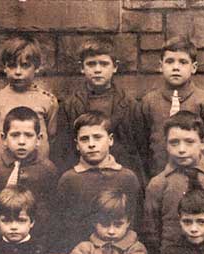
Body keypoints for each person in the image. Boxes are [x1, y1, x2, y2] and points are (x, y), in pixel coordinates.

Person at [56, 37, 145, 184]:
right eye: (91, 64)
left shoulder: (130, 105)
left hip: (119, 177)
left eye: (104, 64)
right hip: (82, 179)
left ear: (115, 67)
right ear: (82, 67)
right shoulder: (69, 106)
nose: (97, 69)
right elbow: (63, 151)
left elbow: (139, 150)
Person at [56, 111, 141, 253]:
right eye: (84, 139)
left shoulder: (127, 178)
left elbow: (134, 221)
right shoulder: (69, 179)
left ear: (110, 140)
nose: (91, 144)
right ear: (77, 145)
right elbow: (62, 225)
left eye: (97, 137)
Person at [0, 34, 58, 168]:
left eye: (25, 66)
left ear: (37, 67)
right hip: (3, 173)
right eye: (12, 66)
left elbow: (52, 139)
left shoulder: (47, 101)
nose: (18, 72)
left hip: (37, 173)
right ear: (4, 67)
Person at [138, 35, 204, 178]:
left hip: (197, 178)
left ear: (193, 67)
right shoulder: (149, 102)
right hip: (158, 175)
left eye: (183, 62)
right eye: (170, 61)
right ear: (160, 66)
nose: (176, 67)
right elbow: (142, 145)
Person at [0, 106, 58, 240]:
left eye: (28, 135)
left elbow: (51, 212)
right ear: (3, 138)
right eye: (15, 135)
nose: (21, 142)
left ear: (39, 139)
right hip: (0, 240)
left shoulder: (47, 170)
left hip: (36, 241)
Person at [144, 111, 204, 254]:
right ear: (166, 145)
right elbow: (152, 233)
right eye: (174, 143)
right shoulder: (158, 184)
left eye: (189, 142)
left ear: (203, 143)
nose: (181, 149)